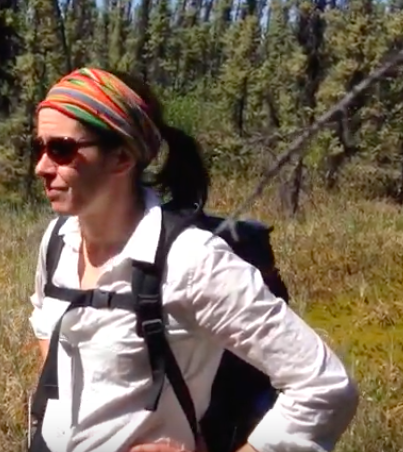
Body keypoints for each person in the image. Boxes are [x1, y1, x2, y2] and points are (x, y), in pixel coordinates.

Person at [26, 68, 359, 452]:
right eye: (39, 147)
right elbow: (45, 324)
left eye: (62, 150)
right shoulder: (57, 241)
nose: (42, 167)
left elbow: (325, 387)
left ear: (121, 157)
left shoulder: (191, 260)